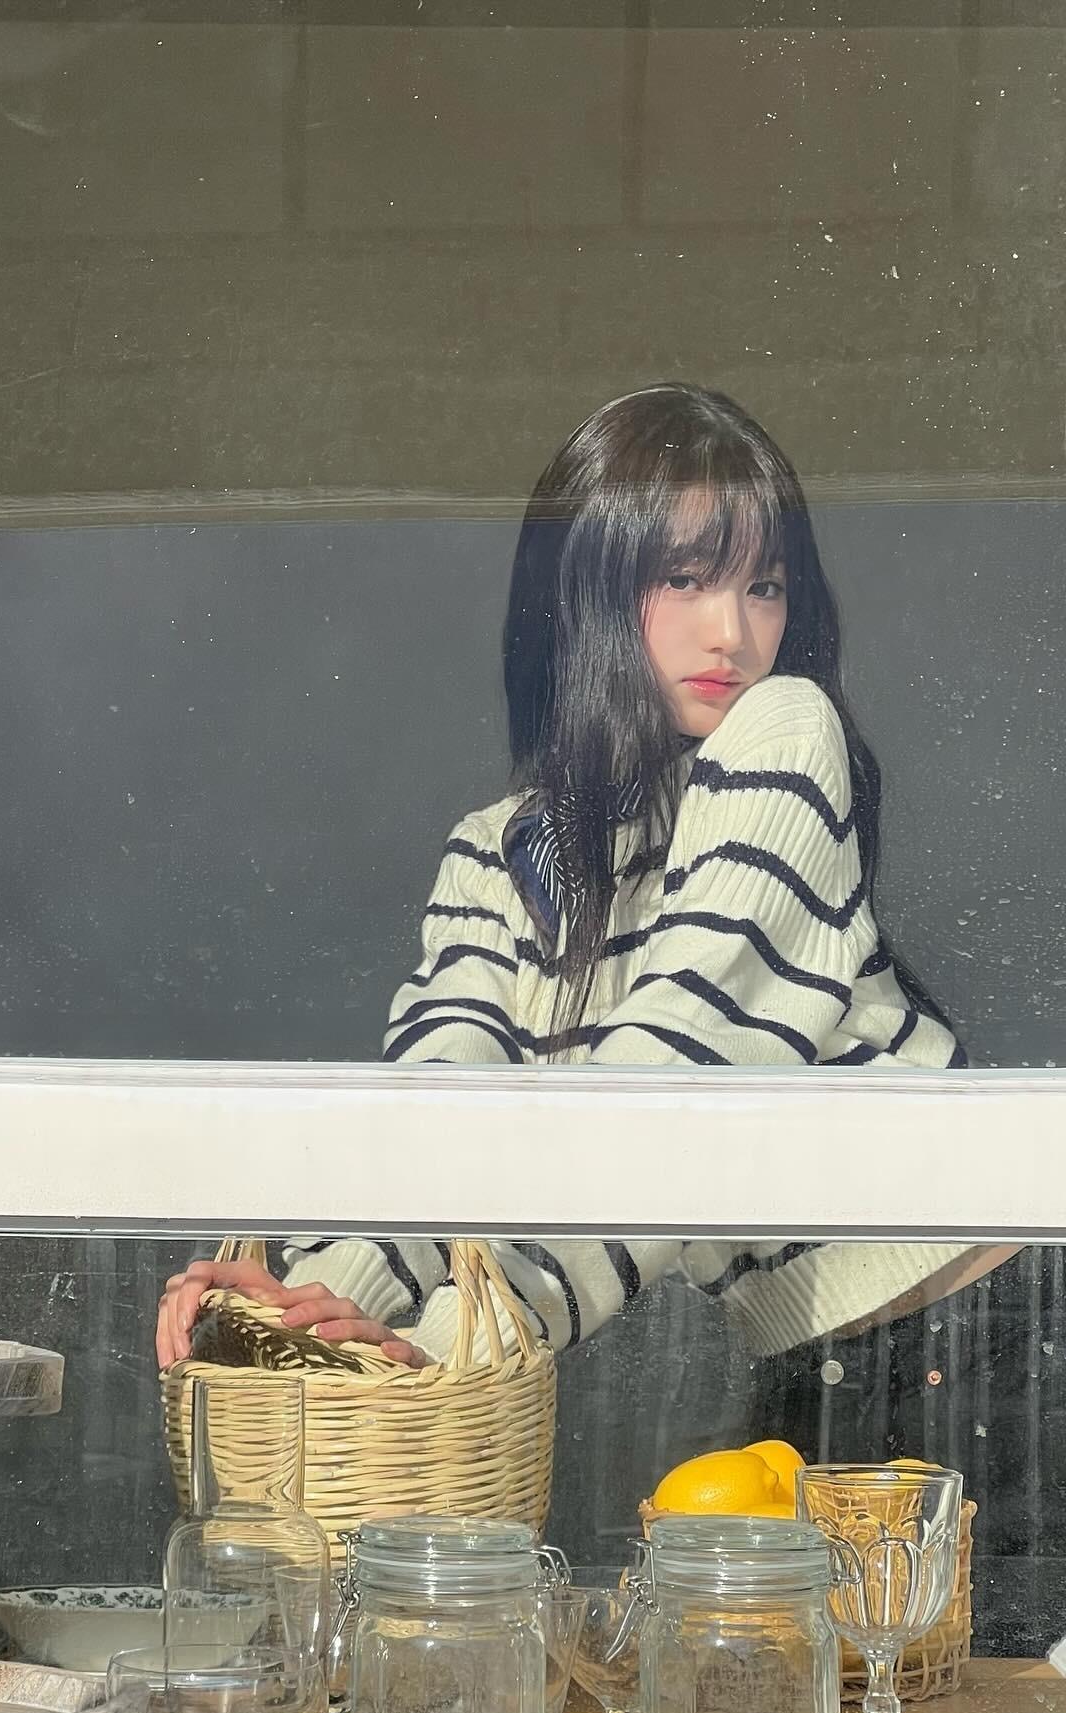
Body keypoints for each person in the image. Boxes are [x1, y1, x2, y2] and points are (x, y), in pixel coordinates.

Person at [156, 384, 1010, 1375]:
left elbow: (688, 1068)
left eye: (765, 587)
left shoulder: (784, 733)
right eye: (684, 579)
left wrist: (458, 1342)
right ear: (587, 592)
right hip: (806, 1360)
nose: (732, 633)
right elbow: (445, 1099)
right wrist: (319, 1303)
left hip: (987, 1332)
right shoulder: (498, 850)